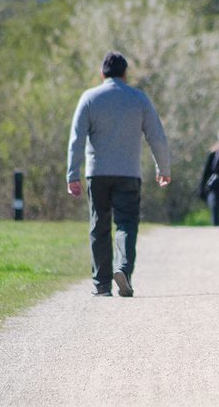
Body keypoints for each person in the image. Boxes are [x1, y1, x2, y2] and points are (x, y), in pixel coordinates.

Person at [66, 51, 171, 298]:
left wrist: (73, 174)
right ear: (125, 75)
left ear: (102, 74)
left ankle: (102, 285)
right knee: (126, 224)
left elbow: (76, 139)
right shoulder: (139, 99)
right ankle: (122, 269)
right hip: (128, 174)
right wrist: (163, 168)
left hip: (97, 173)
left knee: (99, 226)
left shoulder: (89, 98)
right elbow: (157, 136)